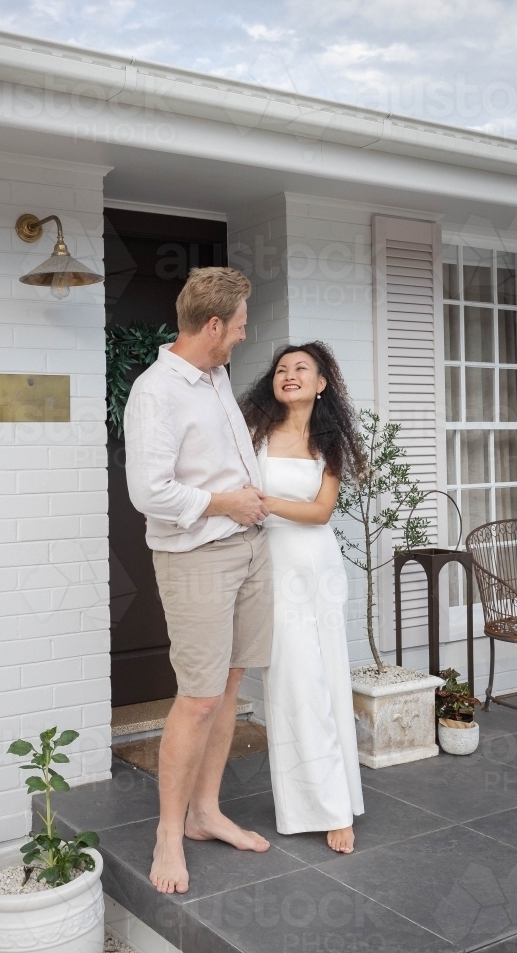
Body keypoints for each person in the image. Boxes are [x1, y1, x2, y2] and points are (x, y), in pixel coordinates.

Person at [124, 267, 274, 895]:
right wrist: (227, 504)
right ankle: (168, 834)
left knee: (232, 680)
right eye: (239, 326)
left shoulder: (215, 378)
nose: (243, 336)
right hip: (198, 557)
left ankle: (206, 814)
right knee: (199, 696)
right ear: (214, 325)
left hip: (250, 548)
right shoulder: (156, 391)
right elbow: (148, 493)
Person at [240, 342, 365, 854]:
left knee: (327, 679)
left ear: (321, 384)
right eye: (281, 369)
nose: (288, 374)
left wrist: (265, 502)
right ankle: (311, 804)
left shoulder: (328, 440)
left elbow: (320, 513)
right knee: (294, 686)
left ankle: (337, 804)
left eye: (301, 369)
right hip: (272, 568)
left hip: (318, 569)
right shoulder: (254, 433)